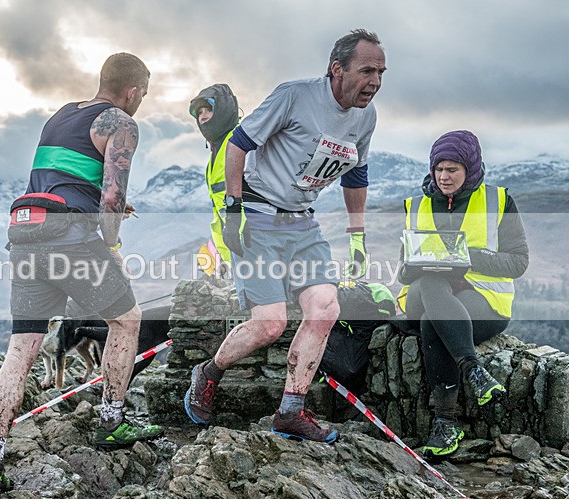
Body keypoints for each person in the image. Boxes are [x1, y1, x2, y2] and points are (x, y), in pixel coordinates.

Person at [184, 29, 386, 443]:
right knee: (270, 324)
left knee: (324, 310)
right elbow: (238, 145)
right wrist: (235, 209)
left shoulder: (367, 117)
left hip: (302, 222)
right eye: (367, 70)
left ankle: (291, 410)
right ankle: (208, 372)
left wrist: (358, 234)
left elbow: (357, 174)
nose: (376, 81)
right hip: (257, 215)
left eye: (381, 72)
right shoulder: (293, 96)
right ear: (337, 69)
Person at [0, 52, 163, 496]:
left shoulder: (60, 115)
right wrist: (113, 245)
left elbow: (63, 179)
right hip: (69, 237)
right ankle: (111, 422)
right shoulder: (121, 122)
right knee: (128, 319)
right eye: (144, 94)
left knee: (21, 349)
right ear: (134, 91)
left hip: (26, 232)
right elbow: (113, 197)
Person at [396, 130, 529, 458]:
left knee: (433, 322)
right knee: (428, 285)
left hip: (482, 299)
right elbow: (402, 272)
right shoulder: (417, 205)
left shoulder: (499, 201)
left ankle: (446, 423)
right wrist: (419, 263)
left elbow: (519, 261)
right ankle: (473, 370)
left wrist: (468, 256)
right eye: (438, 169)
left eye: (452, 169)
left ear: (470, 168)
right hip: (421, 294)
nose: (443, 176)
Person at [189, 83, 240, 269]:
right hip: (235, 254)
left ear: (224, 110)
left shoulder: (241, 140)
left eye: (208, 109)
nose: (202, 116)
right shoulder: (215, 155)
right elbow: (219, 213)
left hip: (255, 247)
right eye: (199, 112)